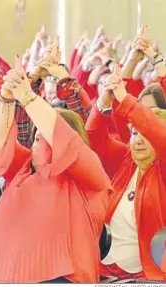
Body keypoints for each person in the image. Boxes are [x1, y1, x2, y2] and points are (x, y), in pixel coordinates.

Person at [0, 56, 111, 283]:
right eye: (36, 137)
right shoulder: (26, 165)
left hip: (58, 277)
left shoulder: (89, 173)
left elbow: (61, 137)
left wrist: (28, 96)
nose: (36, 143)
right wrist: (5, 97)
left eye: (42, 137)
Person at [89, 41, 166, 280]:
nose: (139, 141)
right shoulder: (125, 160)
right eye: (133, 133)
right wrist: (105, 99)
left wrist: (157, 62)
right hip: (104, 271)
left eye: (145, 135)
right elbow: (94, 136)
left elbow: (154, 130)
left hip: (147, 276)